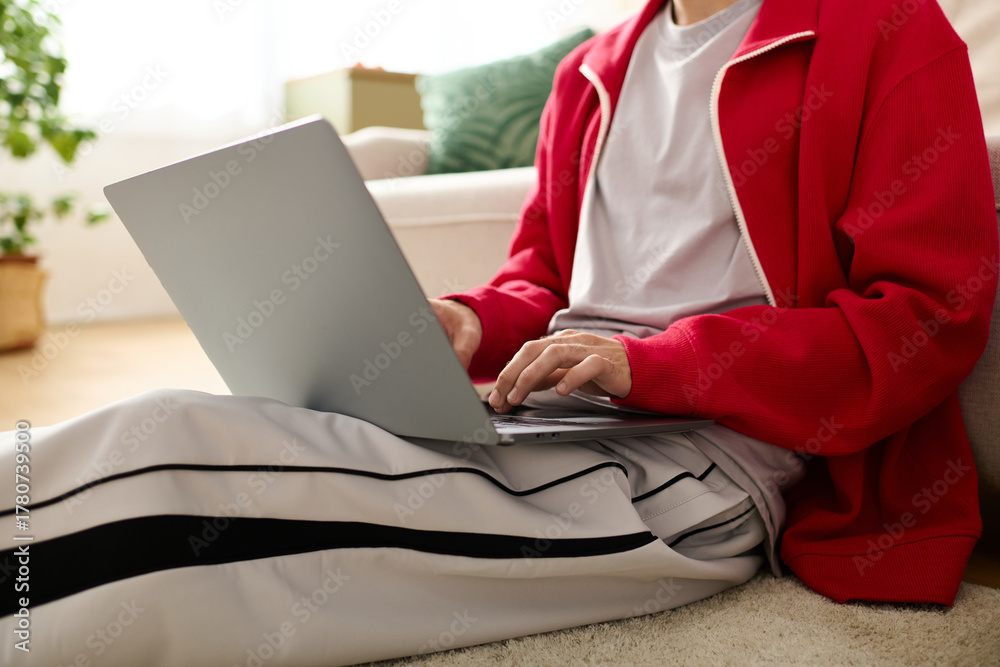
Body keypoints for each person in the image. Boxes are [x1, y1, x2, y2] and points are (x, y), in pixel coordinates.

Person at [1, 0, 996, 664]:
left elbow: (928, 316)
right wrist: (470, 322)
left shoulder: (884, 32)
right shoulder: (593, 70)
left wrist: (649, 364)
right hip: (544, 421)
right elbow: (548, 281)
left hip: (709, 464)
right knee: (202, 426)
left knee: (183, 463)